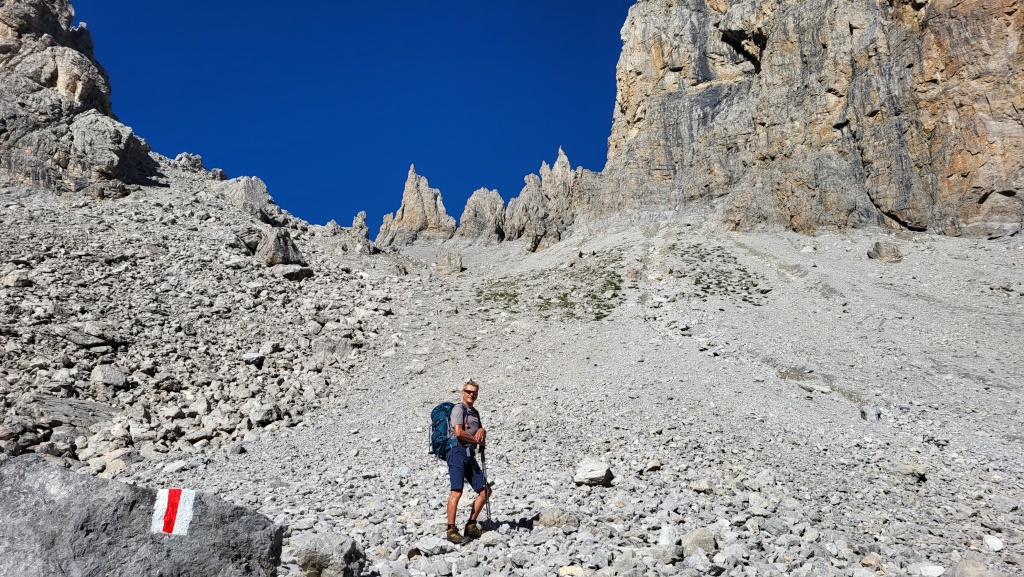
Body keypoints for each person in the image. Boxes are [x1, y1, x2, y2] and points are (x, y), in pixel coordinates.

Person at [445, 378, 491, 543]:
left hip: (469, 453)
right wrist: (477, 441)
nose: (471, 394)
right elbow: (458, 432)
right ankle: (451, 530)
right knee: (456, 491)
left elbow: (477, 430)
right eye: (468, 391)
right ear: (463, 393)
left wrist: (482, 430)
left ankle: (470, 525)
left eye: (474, 392)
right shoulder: (459, 409)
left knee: (485, 491)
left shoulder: (474, 413)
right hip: (456, 451)